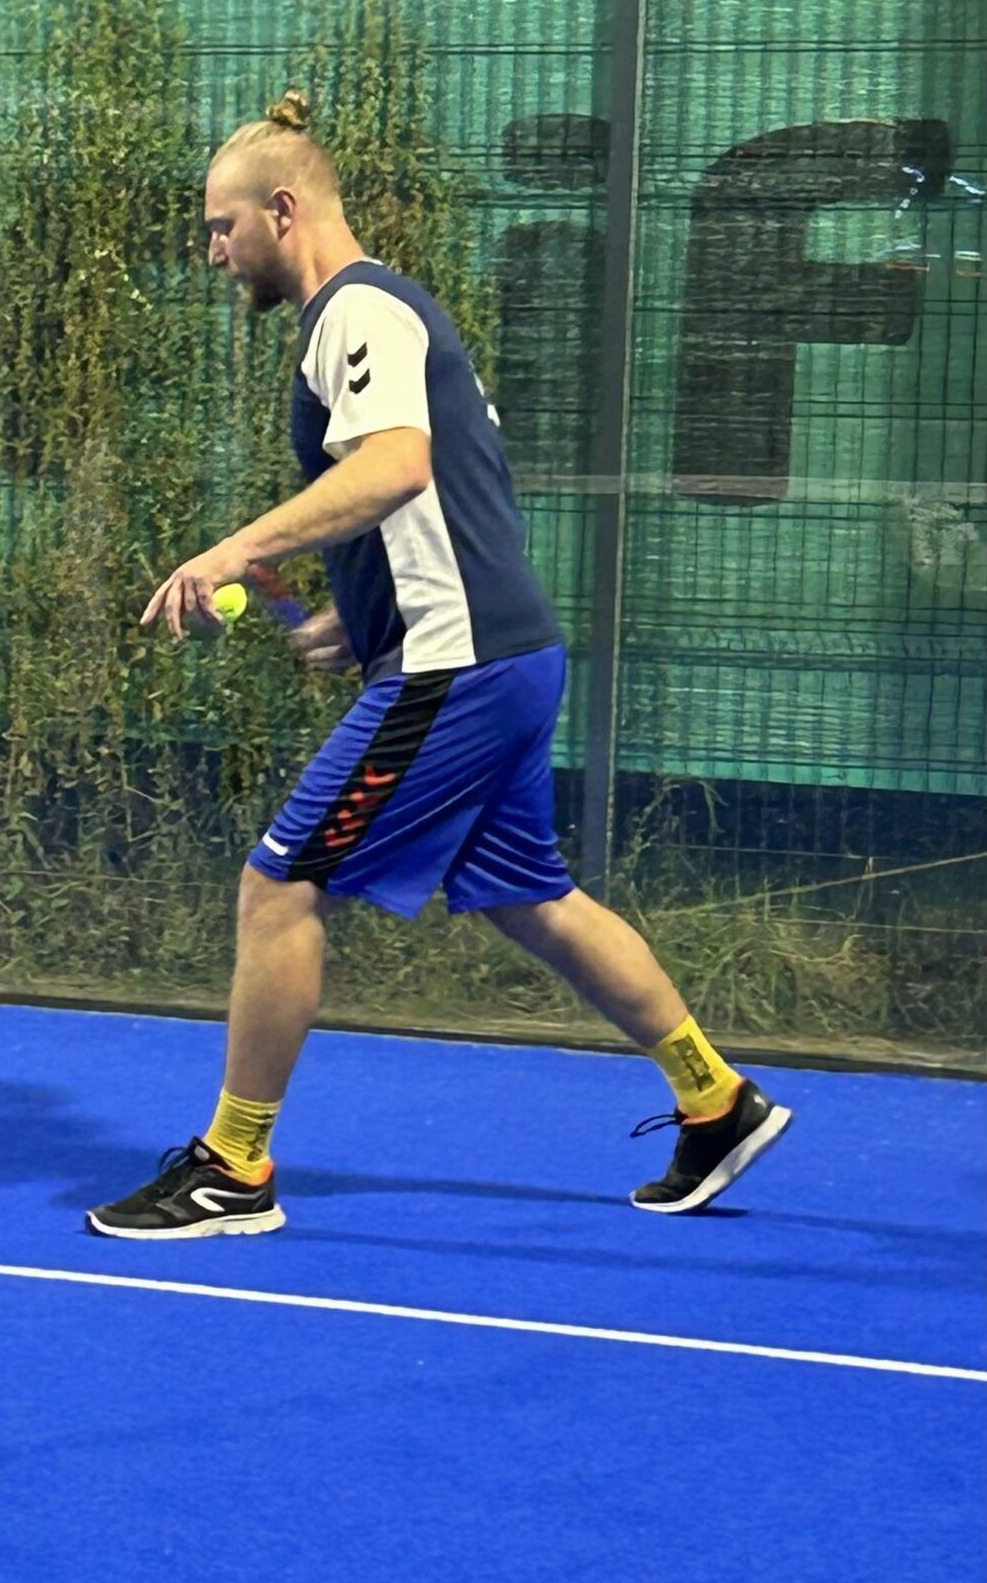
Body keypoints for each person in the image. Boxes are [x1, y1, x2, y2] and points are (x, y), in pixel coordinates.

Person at [86, 90, 791, 1240]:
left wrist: (236, 547)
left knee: (278, 888)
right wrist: (333, 616)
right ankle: (715, 1101)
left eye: (221, 227)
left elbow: (398, 468)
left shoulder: (357, 310)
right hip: (498, 656)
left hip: (457, 670)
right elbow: (429, 514)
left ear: (282, 209)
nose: (213, 252)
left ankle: (234, 1168)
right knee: (529, 897)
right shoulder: (372, 317)